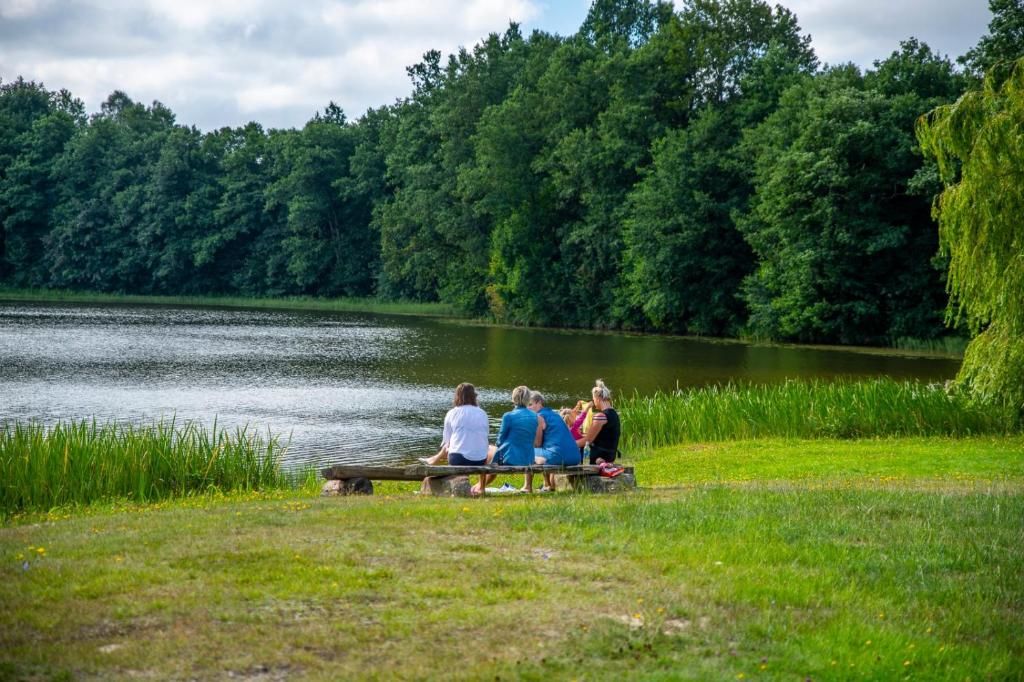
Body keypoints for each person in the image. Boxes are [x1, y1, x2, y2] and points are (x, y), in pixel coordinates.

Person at [419, 383, 489, 494]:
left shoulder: (452, 413)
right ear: (474, 396)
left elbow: (446, 442)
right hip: (480, 460)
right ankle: (482, 488)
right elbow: (485, 436)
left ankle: (434, 460)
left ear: (457, 396)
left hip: (459, 459)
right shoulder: (483, 413)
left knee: (451, 445)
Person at [471, 386, 538, 495]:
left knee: (487, 449)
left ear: (513, 399)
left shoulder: (508, 416)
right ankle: (528, 487)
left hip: (510, 458)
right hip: (529, 458)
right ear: (528, 399)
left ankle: (481, 488)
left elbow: (500, 441)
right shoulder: (534, 416)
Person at [528, 391, 582, 492]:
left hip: (558, 456)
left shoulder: (538, 417)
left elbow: (537, 444)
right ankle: (548, 484)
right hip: (575, 457)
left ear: (539, 402)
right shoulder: (555, 415)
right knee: (546, 450)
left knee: (528, 451)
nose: (528, 408)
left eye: (530, 405)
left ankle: (527, 486)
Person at [580, 379, 620, 465]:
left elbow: (587, 441)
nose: (594, 402)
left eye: (593, 399)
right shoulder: (614, 414)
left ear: (598, 399)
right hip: (610, 455)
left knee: (572, 449)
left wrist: (570, 443)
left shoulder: (600, 417)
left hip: (598, 456)